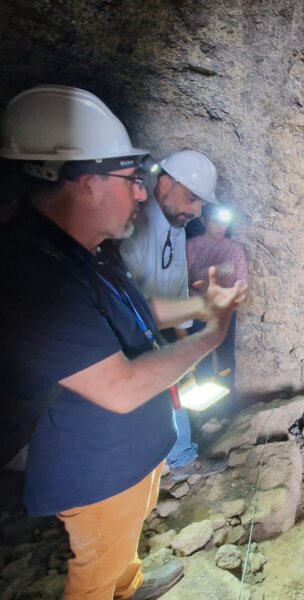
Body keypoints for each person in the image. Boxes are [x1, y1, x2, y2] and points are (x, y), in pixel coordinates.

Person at [0, 85, 246, 600]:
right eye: (131, 179)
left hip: (124, 454)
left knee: (119, 543)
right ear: (85, 183)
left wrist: (202, 307)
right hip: (93, 465)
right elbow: (121, 387)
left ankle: (128, 585)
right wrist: (211, 335)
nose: (140, 192)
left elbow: (139, 310)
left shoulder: (83, 251)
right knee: (94, 570)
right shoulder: (36, 275)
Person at [120, 149, 227, 482]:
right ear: (165, 184)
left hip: (159, 330)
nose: (196, 212)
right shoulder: (130, 225)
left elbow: (179, 288)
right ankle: (148, 471)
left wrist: (183, 349)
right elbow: (125, 300)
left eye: (200, 205)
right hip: (128, 336)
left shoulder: (177, 231)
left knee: (176, 388)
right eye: (193, 199)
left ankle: (179, 458)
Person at [186, 204, 248, 391]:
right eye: (215, 222)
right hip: (200, 311)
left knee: (225, 356)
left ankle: (225, 406)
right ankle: (203, 410)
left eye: (224, 223)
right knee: (200, 355)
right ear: (204, 221)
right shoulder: (192, 247)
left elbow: (242, 280)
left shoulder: (234, 250)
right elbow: (183, 279)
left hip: (225, 312)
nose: (221, 227)